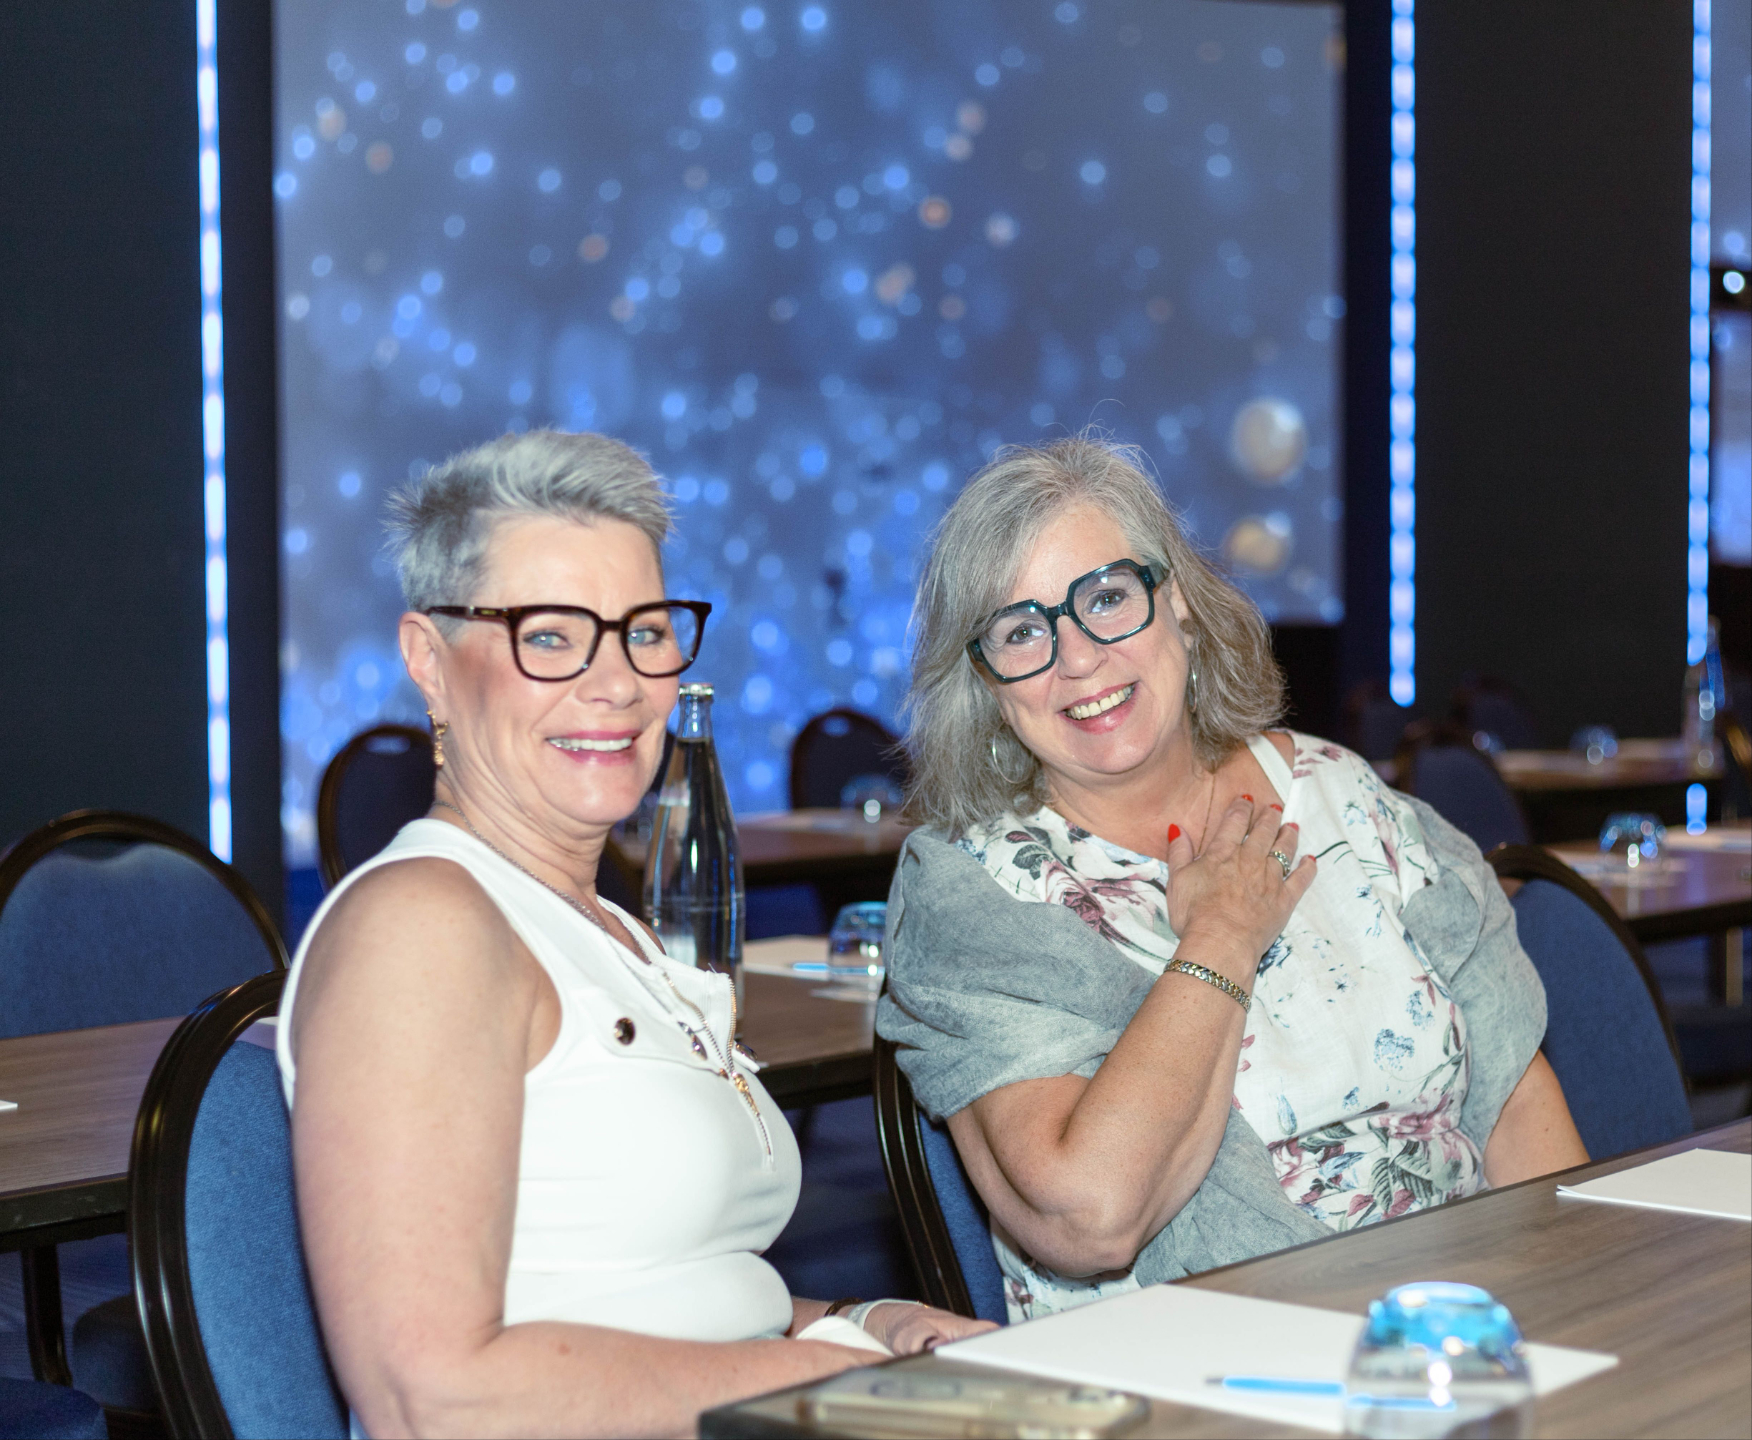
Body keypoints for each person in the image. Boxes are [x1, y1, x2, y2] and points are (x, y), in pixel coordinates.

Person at [278, 430, 990, 1440]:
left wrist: (857, 1320)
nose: (616, 682)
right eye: (550, 637)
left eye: (644, 631)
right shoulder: (421, 927)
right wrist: (817, 1379)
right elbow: (430, 1397)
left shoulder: (610, 929)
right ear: (429, 662)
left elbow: (651, 1293)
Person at [877, 435, 1587, 1323]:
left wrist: (1582, 1310)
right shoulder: (971, 897)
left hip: (1469, 1320)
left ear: (1175, 601)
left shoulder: (1343, 794)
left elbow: (1517, 1107)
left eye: (1107, 597)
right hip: (1208, 1354)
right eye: (1021, 631)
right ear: (985, 681)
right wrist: (1220, 939)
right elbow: (1090, 1219)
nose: (1078, 657)